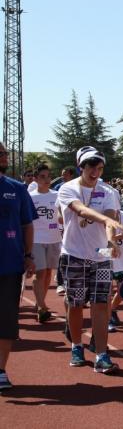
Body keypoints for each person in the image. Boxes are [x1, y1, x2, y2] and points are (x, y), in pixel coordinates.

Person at [56, 147, 123, 373]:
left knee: (100, 305)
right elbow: (81, 211)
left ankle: (101, 354)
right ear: (81, 167)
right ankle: (76, 346)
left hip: (100, 257)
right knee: (76, 305)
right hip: (73, 254)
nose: (94, 170)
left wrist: (111, 243)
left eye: (99, 167)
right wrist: (108, 223)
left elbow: (110, 220)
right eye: (90, 166)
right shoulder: (68, 189)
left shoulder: (108, 191)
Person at [0, 142, 36, 390]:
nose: (4, 156)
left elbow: (27, 225)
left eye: (4, 153)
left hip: (9, 267)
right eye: (0, 153)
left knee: (6, 321)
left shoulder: (17, 189)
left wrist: (29, 255)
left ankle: (0, 370)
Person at [29, 164, 61, 323]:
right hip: (36, 239)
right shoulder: (31, 197)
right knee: (39, 272)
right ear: (36, 178)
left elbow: (61, 215)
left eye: (48, 176)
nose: (47, 179)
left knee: (48, 272)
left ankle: (40, 301)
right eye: (42, 176)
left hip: (54, 238)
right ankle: (41, 307)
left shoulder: (56, 195)